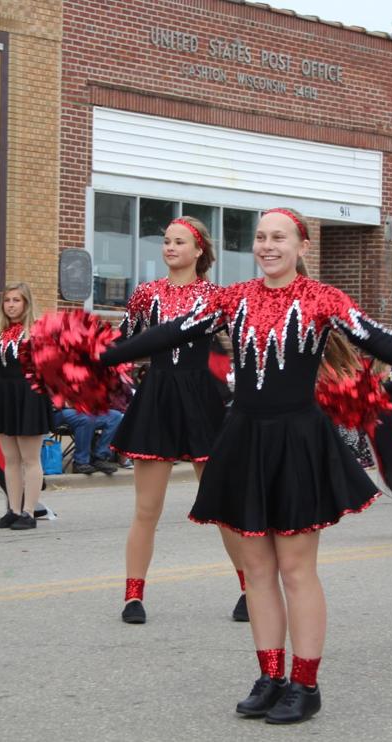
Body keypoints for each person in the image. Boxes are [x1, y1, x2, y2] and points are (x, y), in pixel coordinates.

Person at [101, 208, 392, 725]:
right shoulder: (232, 299)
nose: (267, 245)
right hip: (243, 436)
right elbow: (169, 334)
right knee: (258, 568)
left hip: (297, 439)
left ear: (301, 246)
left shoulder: (322, 299)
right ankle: (271, 676)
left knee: (295, 568)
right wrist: (103, 355)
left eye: (278, 237)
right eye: (260, 237)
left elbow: (380, 340)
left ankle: (306, 684)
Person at [110, 216, 248, 626]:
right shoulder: (145, 294)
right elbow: (123, 340)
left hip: (203, 398)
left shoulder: (216, 296)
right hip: (157, 397)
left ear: (199, 249)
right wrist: (83, 352)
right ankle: (133, 595)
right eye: (166, 241)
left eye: (179, 242)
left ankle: (248, 587)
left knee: (220, 504)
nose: (170, 248)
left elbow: (245, 342)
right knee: (146, 508)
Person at [0, 282, 53, 531]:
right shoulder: (1, 333)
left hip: (29, 398)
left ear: (26, 304)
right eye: (7, 300)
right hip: (3, 398)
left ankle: (29, 512)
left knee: (29, 459)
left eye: (16, 300)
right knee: (10, 459)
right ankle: (13, 510)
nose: (11, 305)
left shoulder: (37, 332)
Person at [53, 405, 121, 474]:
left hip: (85, 409)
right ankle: (80, 462)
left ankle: (99, 458)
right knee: (86, 419)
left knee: (115, 416)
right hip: (58, 411)